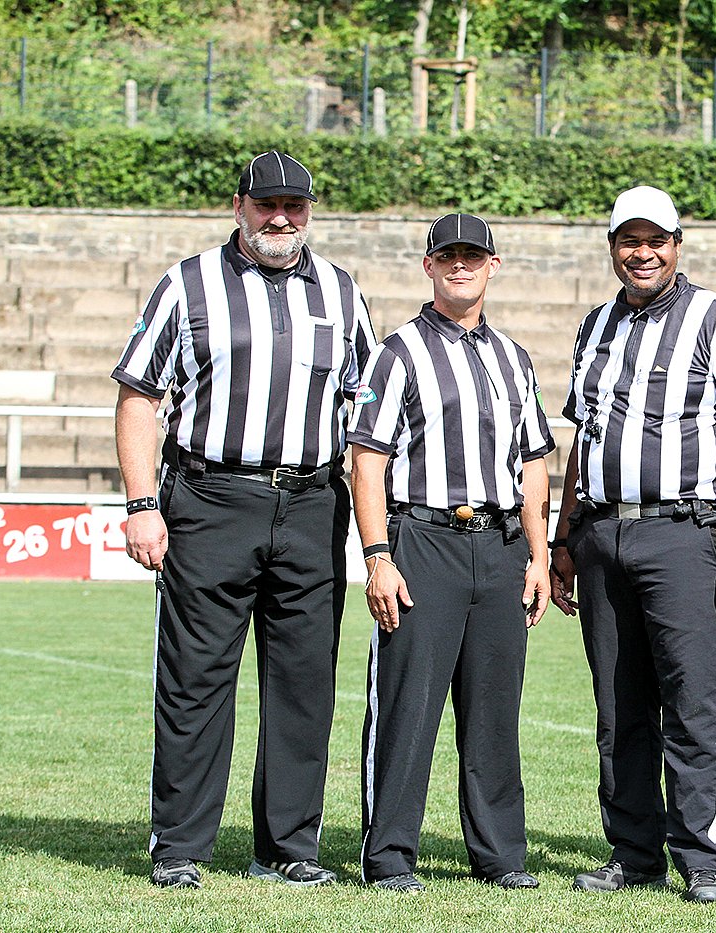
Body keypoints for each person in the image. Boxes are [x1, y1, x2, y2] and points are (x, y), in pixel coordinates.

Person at [114, 150, 377, 889]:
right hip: (211, 500)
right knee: (195, 679)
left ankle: (286, 848)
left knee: (304, 685)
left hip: (312, 504)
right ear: (240, 207)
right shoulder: (188, 283)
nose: (281, 218)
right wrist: (141, 504)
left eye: (295, 205)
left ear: (310, 210)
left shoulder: (342, 291)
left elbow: (366, 410)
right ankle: (179, 847)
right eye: (267, 205)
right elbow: (139, 395)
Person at [549, 185, 716, 904]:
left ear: (678, 244)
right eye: (629, 240)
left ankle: (703, 857)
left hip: (683, 531)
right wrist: (563, 536)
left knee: (691, 701)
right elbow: (583, 440)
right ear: (612, 247)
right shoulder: (595, 326)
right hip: (601, 531)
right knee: (619, 706)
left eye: (656, 241)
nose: (642, 253)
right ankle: (634, 853)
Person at [349, 213, 554, 894]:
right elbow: (367, 460)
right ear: (429, 265)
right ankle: (388, 856)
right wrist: (378, 556)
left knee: (495, 708)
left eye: (472, 255)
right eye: (447, 255)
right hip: (424, 540)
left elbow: (533, 461)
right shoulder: (398, 351)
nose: (459, 265)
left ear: (493, 265)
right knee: (406, 705)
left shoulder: (514, 357)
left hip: (499, 544)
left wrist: (538, 556)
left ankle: (500, 854)